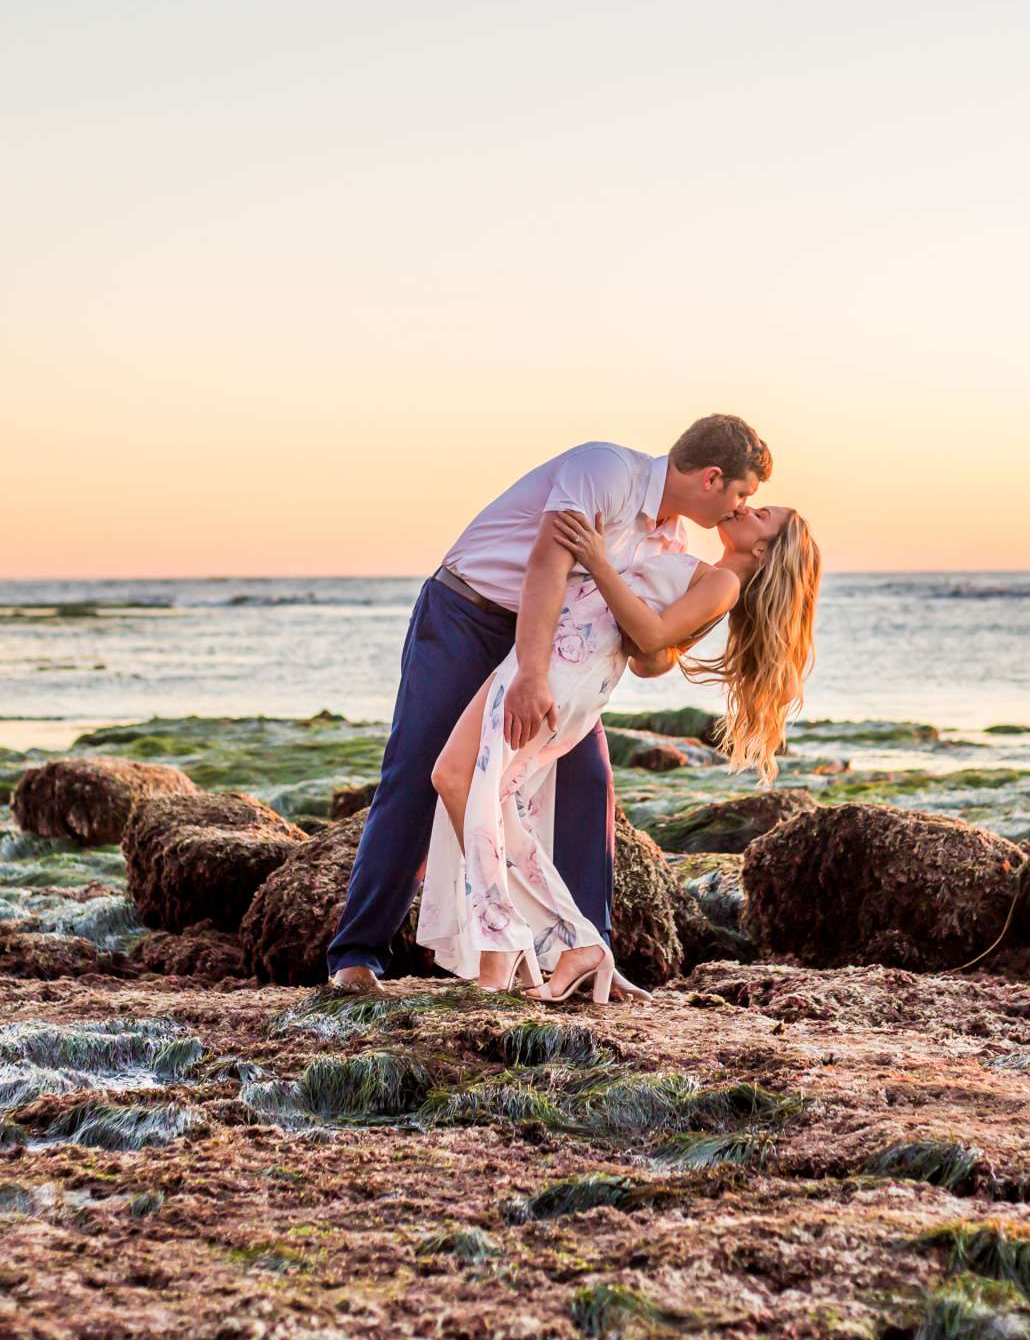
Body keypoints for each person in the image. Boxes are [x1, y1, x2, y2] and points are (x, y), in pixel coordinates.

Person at [323, 415, 773, 995]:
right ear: (712, 477)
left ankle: (588, 953)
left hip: (551, 651)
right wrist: (531, 675)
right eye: (740, 493)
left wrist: (682, 630)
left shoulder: (673, 543)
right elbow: (546, 564)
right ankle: (356, 954)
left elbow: (642, 647)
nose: (738, 508)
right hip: (469, 614)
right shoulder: (605, 470)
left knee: (589, 786)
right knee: (418, 774)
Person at [415, 496, 821, 1001]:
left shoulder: (724, 584)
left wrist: (597, 559)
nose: (746, 508)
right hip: (556, 657)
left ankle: (516, 943)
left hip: (566, 668)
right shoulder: (709, 576)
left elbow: (649, 633)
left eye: (761, 514)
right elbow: (652, 656)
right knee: (477, 791)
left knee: (462, 783)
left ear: (764, 549)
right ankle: (563, 943)